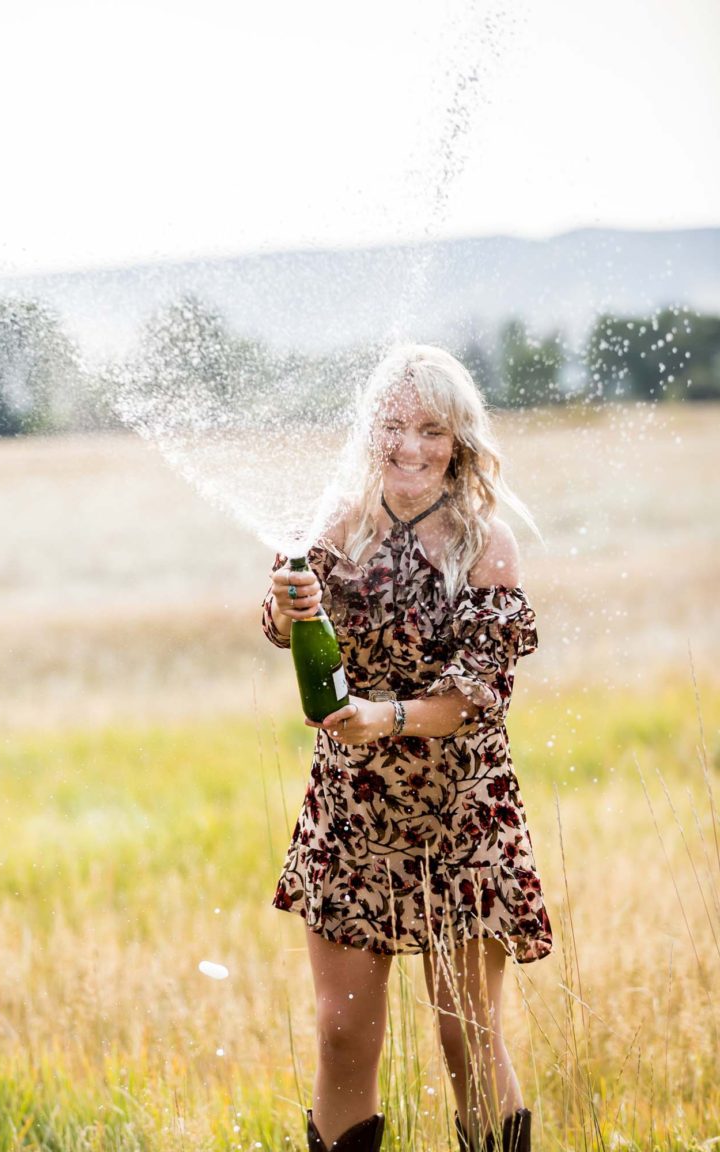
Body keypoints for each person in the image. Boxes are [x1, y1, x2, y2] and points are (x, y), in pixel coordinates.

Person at [262, 344, 553, 1152]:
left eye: (430, 428)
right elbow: (284, 626)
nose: (411, 446)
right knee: (341, 1036)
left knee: (467, 1037)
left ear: (459, 438)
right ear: (369, 432)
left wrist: (383, 718)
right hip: (351, 811)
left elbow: (480, 693)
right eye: (393, 426)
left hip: (462, 813)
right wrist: (288, 608)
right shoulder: (334, 523)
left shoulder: (486, 541)